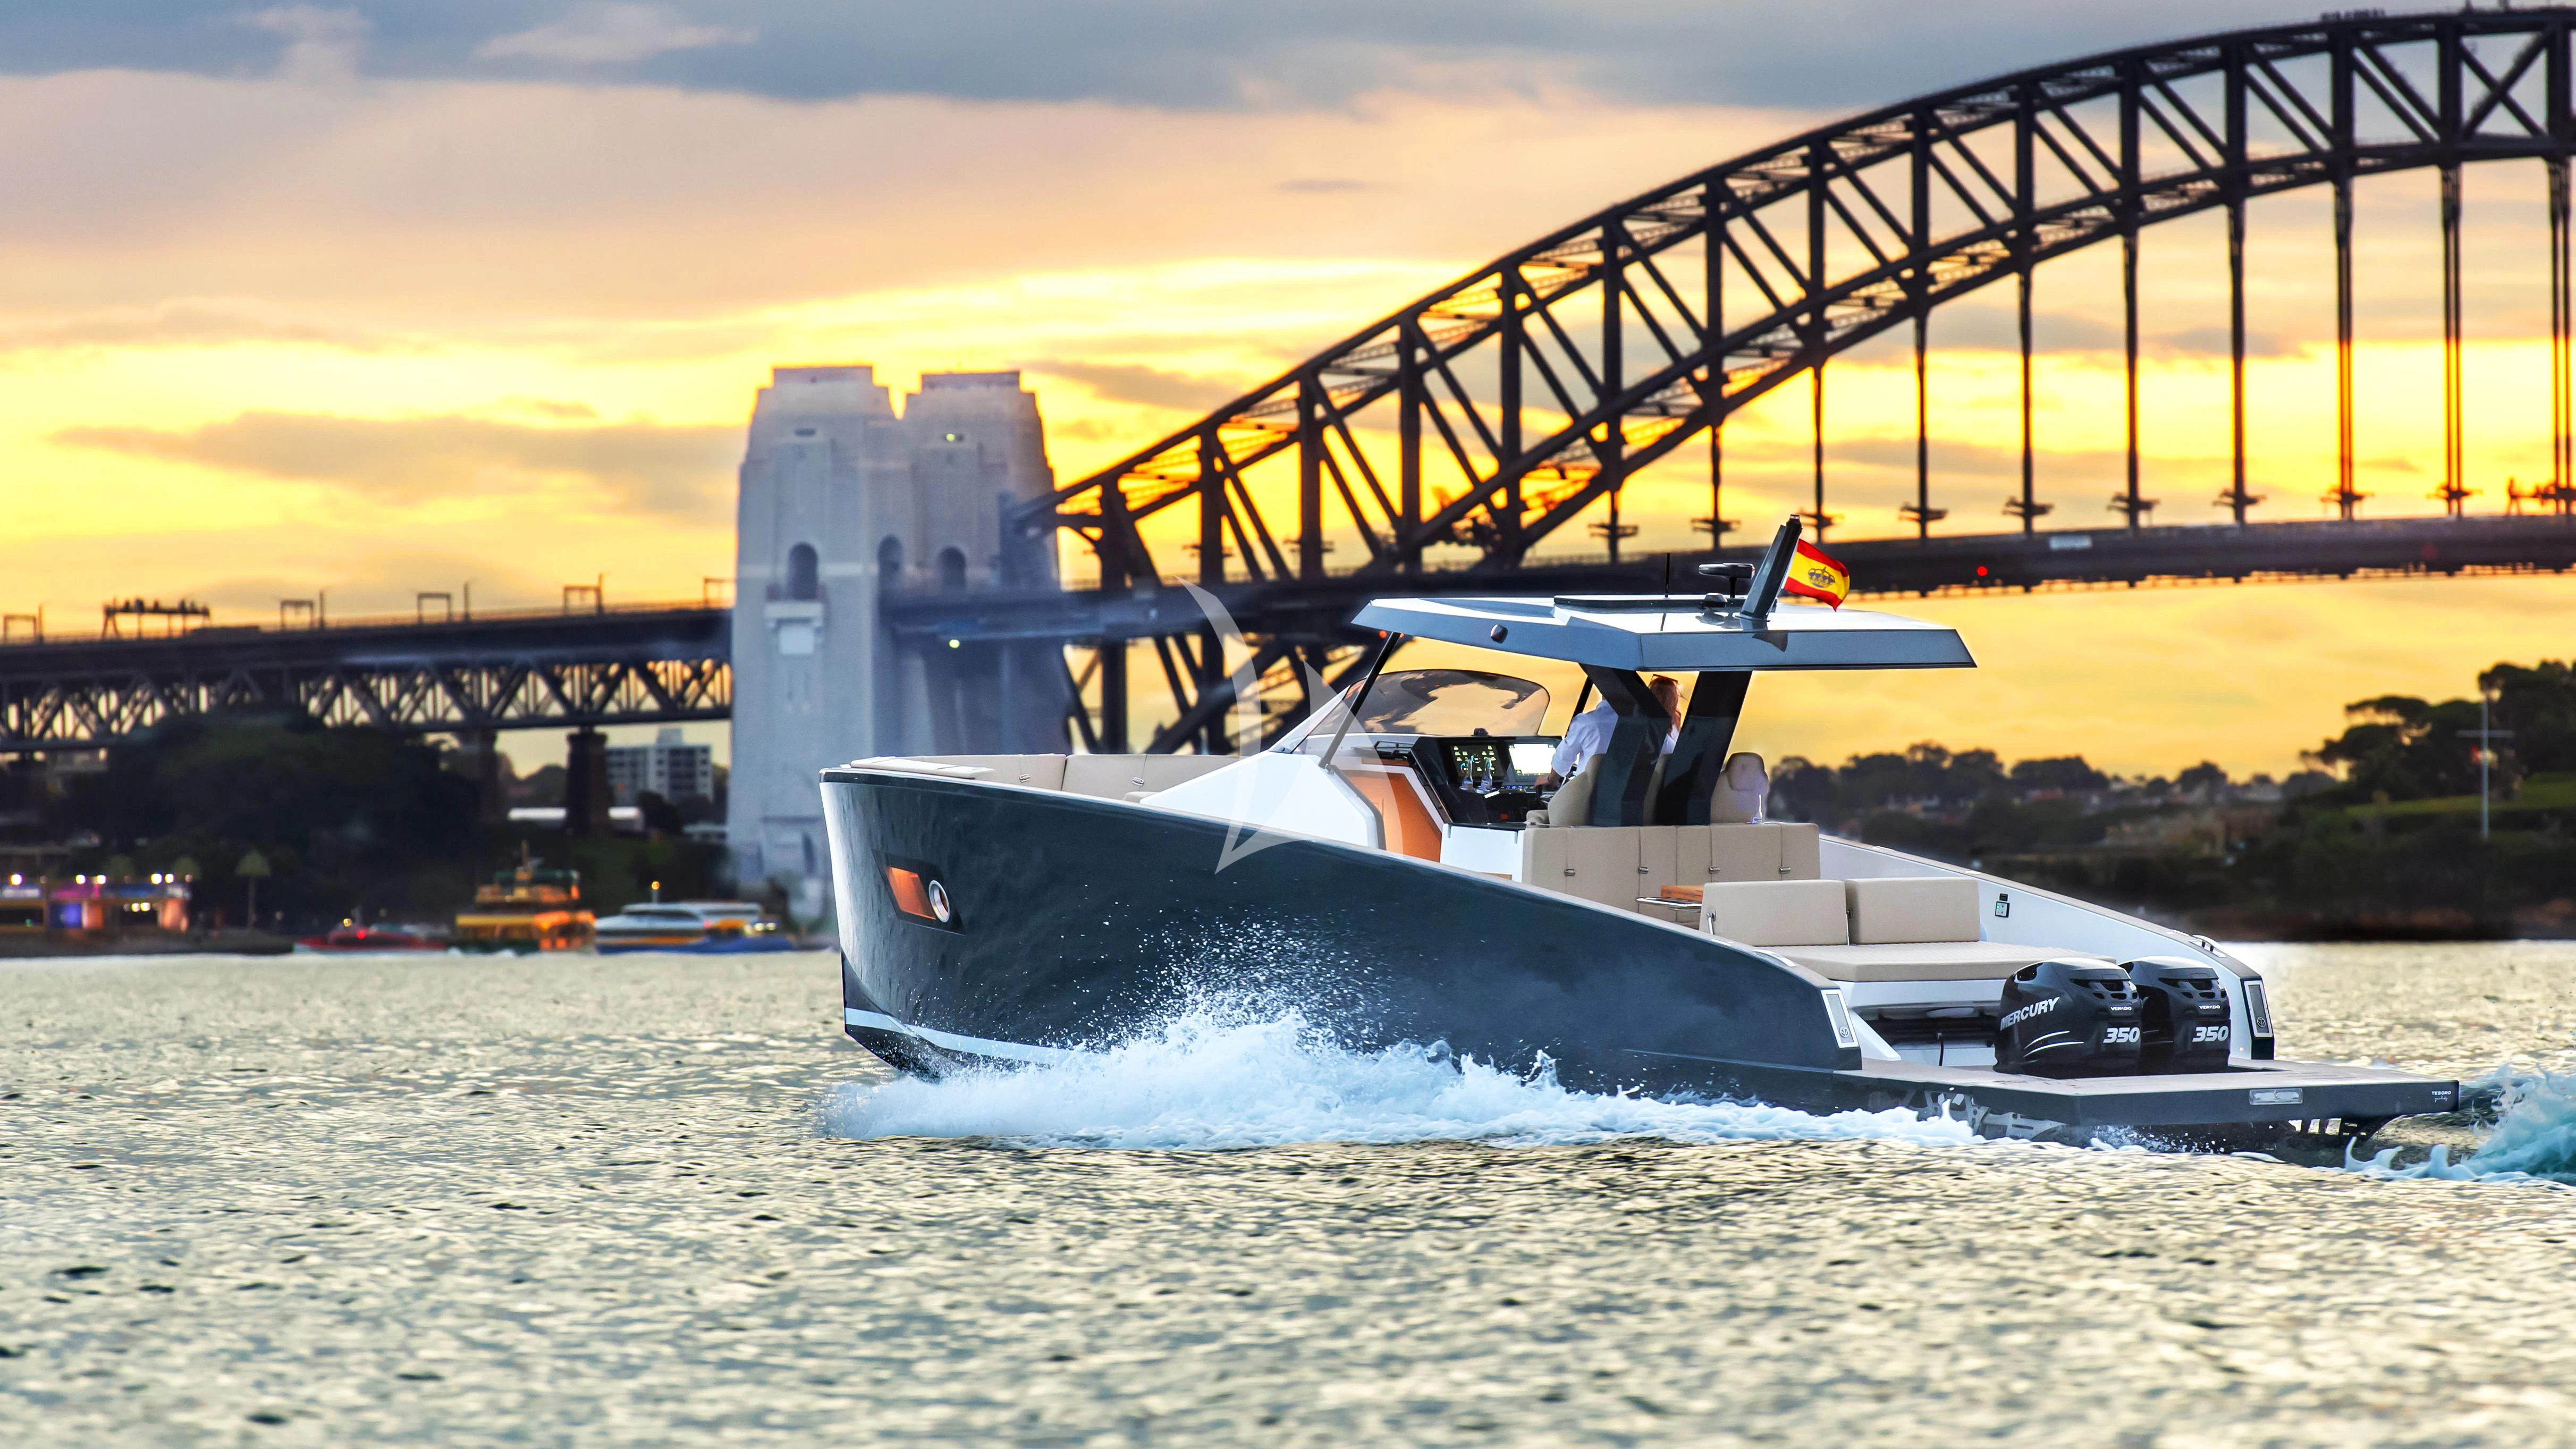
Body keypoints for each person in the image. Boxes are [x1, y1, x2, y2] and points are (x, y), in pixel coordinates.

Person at [1545, 676, 1681, 782]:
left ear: (1600, 688)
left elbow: (1563, 761)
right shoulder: (1659, 735)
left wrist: (1550, 781)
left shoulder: (1588, 723)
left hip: (1588, 808)